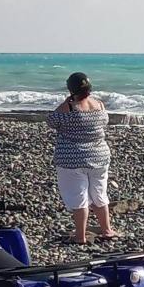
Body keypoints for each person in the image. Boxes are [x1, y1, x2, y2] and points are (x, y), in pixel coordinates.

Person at [47, 72, 116, 243]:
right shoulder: (99, 104)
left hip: (72, 159)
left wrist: (65, 102)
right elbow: (104, 122)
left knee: (78, 197)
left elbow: (51, 121)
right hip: (99, 156)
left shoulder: (68, 108)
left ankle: (80, 236)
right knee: (100, 194)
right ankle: (107, 230)